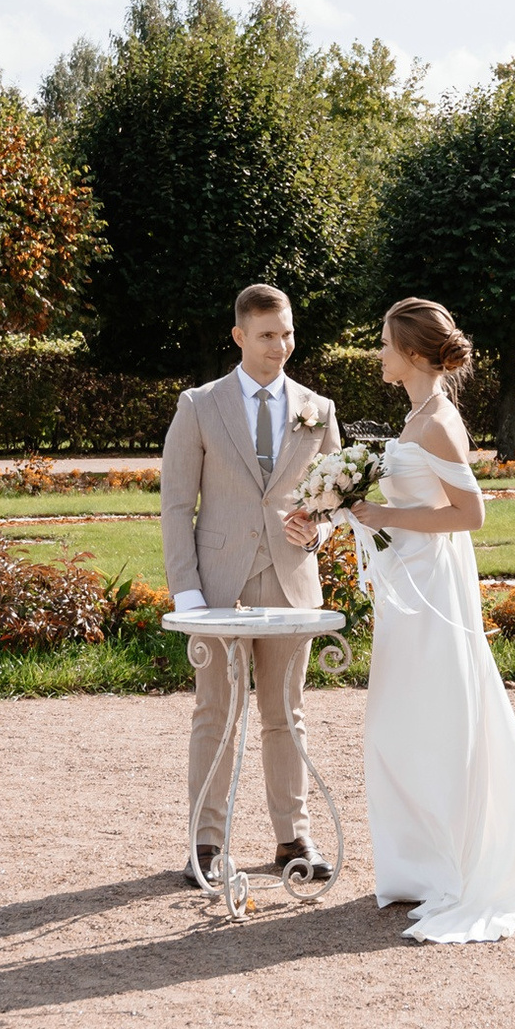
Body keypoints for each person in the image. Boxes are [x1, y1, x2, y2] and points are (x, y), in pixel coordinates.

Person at [313, 297, 515, 944]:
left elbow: (470, 513)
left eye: (387, 345)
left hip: (434, 591)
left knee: (433, 714)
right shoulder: (416, 413)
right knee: (400, 719)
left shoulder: (439, 422)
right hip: (408, 585)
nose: (380, 354)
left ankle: (452, 865)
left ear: (415, 355)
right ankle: (418, 867)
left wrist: (384, 517)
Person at [159, 284, 345, 888]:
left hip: (291, 582)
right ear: (239, 336)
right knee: (216, 712)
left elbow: (338, 500)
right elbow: (176, 504)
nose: (281, 346)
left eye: (288, 333)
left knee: (286, 715)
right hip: (216, 588)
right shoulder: (199, 405)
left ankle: (294, 836)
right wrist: (187, 592)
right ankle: (205, 843)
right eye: (268, 335)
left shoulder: (318, 407)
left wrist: (315, 530)